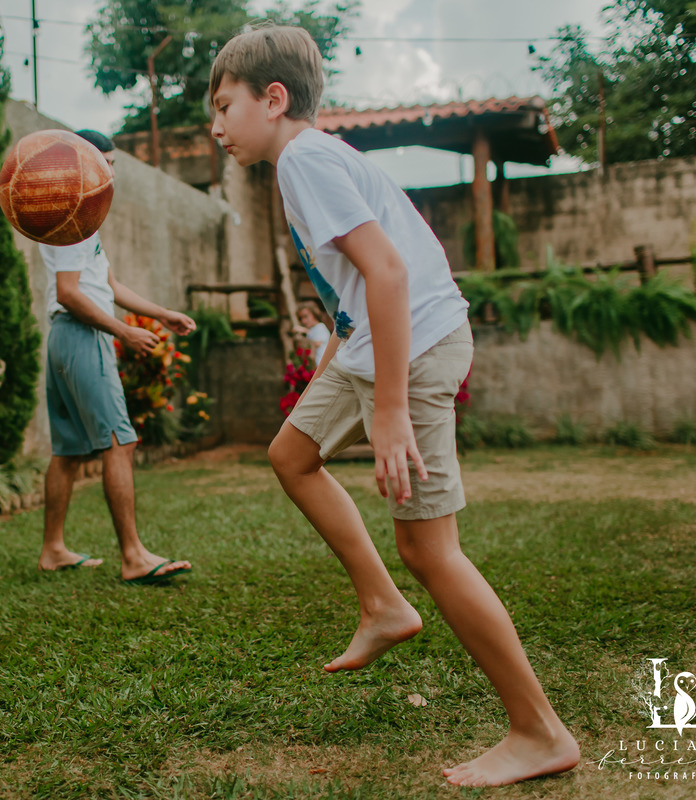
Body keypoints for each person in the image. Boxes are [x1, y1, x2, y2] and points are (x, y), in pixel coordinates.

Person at [209, 26, 579, 787]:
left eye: (224, 106)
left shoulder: (306, 158)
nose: (215, 127)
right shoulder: (307, 160)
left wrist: (389, 411)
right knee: (292, 454)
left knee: (430, 549)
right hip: (370, 346)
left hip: (410, 350)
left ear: (272, 100)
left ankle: (539, 731)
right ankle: (383, 606)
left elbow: (387, 272)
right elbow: (368, 282)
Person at [37, 129, 196, 585]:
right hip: (83, 336)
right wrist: (123, 331)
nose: (109, 170)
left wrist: (160, 314)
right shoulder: (75, 216)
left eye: (113, 162)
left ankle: (53, 549)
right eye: (102, 161)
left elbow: (107, 286)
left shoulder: (77, 214)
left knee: (67, 452)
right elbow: (70, 293)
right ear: (79, 165)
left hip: (64, 340)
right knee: (118, 441)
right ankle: (133, 556)